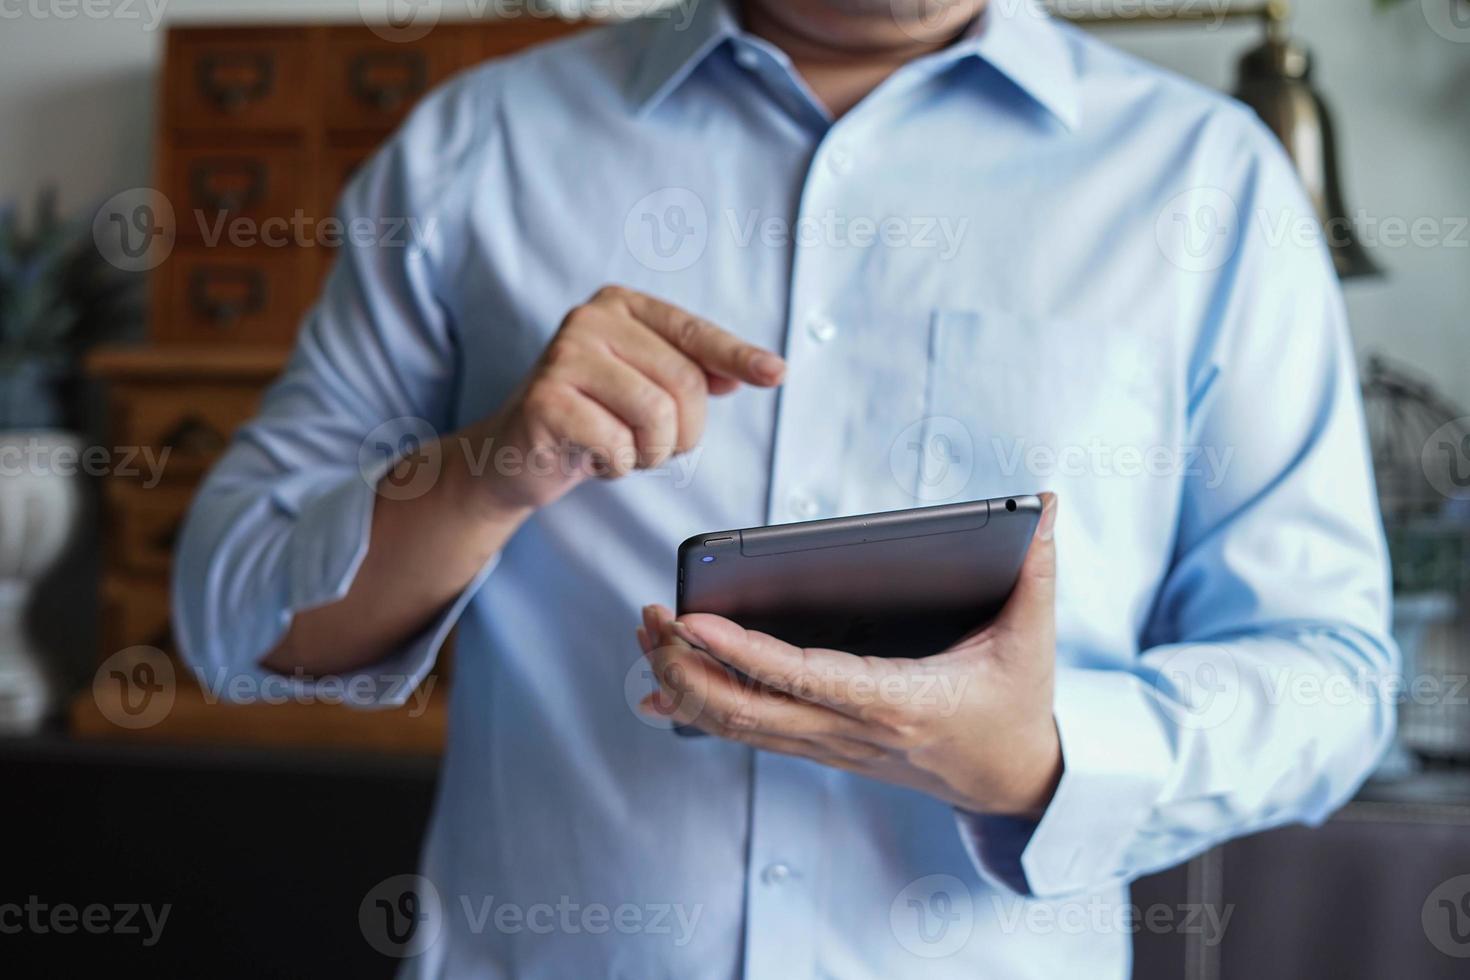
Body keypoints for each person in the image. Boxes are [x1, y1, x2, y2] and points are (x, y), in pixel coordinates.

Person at [173, 0, 1397, 976]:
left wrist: (1037, 753)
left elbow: (1332, 672)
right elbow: (234, 622)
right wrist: (484, 469)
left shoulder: (1208, 179)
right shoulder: (472, 148)